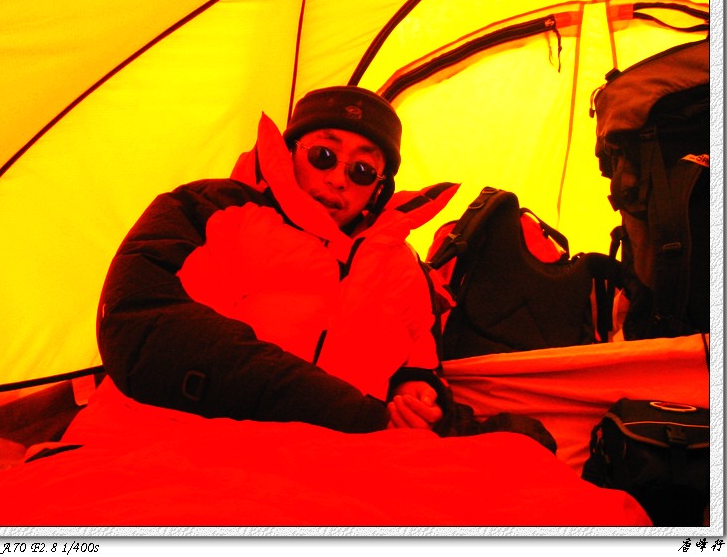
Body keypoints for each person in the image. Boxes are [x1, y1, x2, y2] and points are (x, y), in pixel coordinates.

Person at [96, 86, 460, 435]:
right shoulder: (211, 210)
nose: (338, 179)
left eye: (362, 170)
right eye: (323, 155)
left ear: (379, 188)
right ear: (289, 153)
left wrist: (417, 396)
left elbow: (421, 366)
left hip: (351, 457)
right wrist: (346, 414)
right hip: (181, 440)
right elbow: (144, 327)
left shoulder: (402, 266)